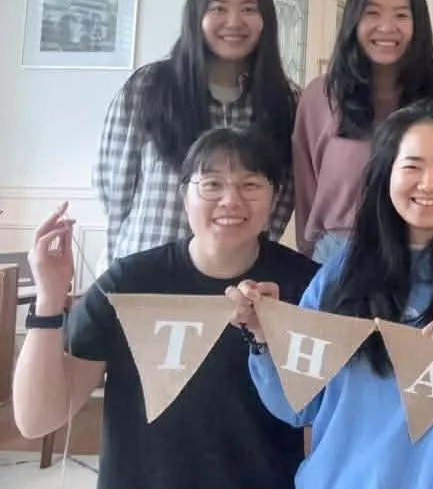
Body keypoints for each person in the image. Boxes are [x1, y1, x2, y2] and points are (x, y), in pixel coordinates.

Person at [232, 100, 433, 489]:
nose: (429, 184)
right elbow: (298, 406)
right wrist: (265, 336)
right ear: (386, 174)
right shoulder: (339, 273)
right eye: (412, 166)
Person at [13, 128, 318, 489]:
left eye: (250, 185)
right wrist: (48, 298)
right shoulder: (130, 282)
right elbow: (38, 419)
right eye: (211, 184)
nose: (231, 200)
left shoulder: (308, 286)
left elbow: (322, 421)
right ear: (183, 196)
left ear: (274, 197)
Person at [95, 0, 297, 263]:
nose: (234, 21)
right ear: (196, 16)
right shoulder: (149, 87)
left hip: (237, 281)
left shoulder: (284, 101)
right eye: (218, 8)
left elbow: (284, 195)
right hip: (147, 268)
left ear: (265, 20)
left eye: (248, 9)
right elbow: (113, 186)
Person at [293, 0, 433, 262]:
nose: (386, 27)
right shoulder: (321, 95)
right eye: (372, 14)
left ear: (418, 25)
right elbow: (305, 186)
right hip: (339, 251)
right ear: (353, 21)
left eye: (401, 15)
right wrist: (308, 258)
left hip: (429, 252)